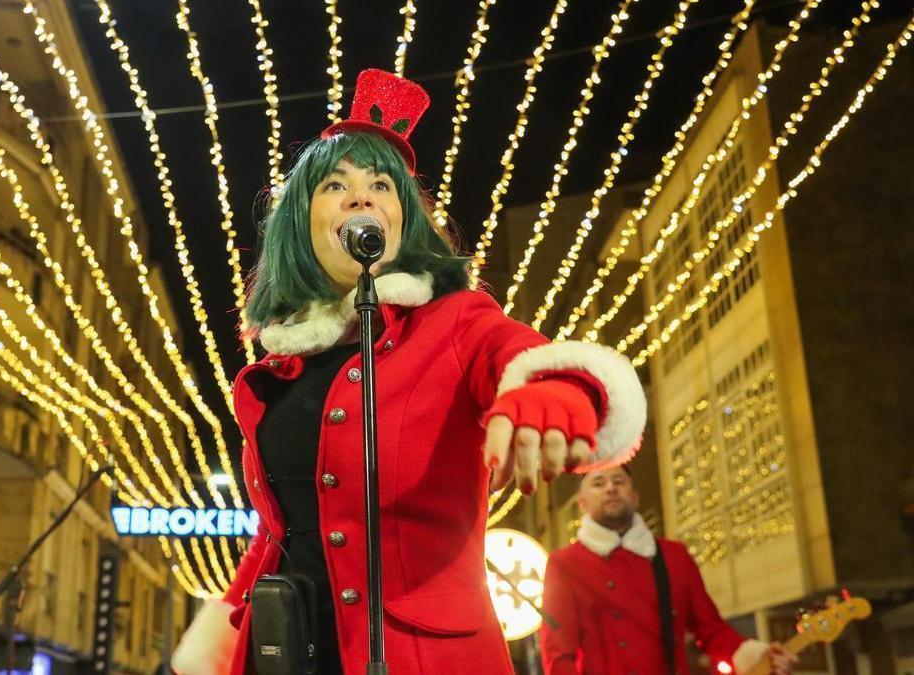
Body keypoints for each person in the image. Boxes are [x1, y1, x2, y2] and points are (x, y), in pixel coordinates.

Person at [170, 69, 646, 675]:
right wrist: (223, 626)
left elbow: (530, 359)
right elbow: (286, 532)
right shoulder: (276, 369)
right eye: (335, 184)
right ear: (301, 220)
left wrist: (560, 390)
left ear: (403, 219)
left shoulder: (456, 324)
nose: (362, 196)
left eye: (382, 185)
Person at [540, 464, 798, 674]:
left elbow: (711, 629)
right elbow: (559, 656)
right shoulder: (565, 564)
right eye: (598, 483)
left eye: (619, 481)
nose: (610, 488)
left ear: (635, 497)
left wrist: (756, 654)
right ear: (582, 503)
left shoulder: (673, 556)